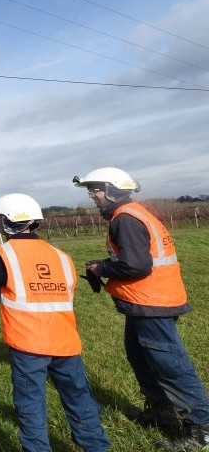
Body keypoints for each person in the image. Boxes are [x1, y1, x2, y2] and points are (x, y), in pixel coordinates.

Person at [74, 167, 209, 451]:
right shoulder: (134, 215)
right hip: (145, 303)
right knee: (142, 360)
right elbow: (137, 257)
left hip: (151, 303)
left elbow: (137, 265)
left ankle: (202, 428)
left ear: (112, 190)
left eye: (95, 189)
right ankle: (161, 414)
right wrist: (106, 265)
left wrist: (101, 267)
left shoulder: (125, 219)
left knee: (171, 367)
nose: (91, 195)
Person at [0, 193, 110, 452]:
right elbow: (66, 292)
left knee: (30, 405)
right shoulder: (61, 256)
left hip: (27, 344)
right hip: (66, 343)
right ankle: (96, 447)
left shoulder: (1, 254)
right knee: (79, 398)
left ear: (7, 222)